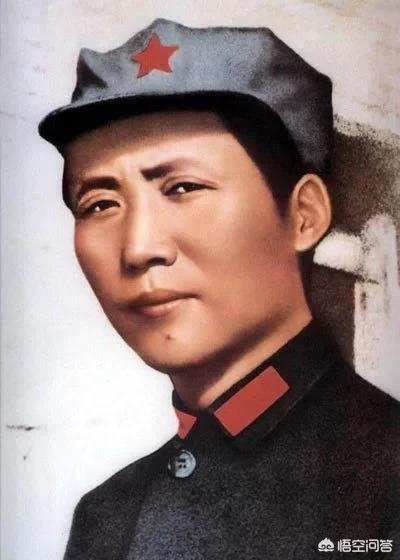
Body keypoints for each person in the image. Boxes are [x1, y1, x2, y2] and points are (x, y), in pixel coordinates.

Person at [39, 18, 399, 560]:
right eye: (100, 204)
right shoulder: (105, 517)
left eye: (183, 187)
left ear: (304, 215)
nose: (138, 248)